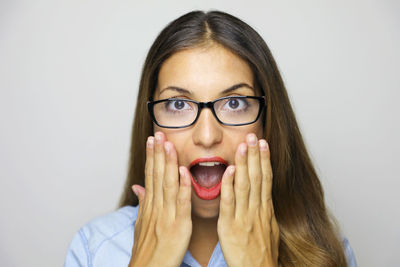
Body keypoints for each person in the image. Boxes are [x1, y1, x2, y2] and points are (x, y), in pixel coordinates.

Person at [64, 10, 357, 267]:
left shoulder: (325, 252)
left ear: (267, 123)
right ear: (152, 125)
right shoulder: (94, 248)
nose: (207, 136)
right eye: (178, 104)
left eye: (234, 103)